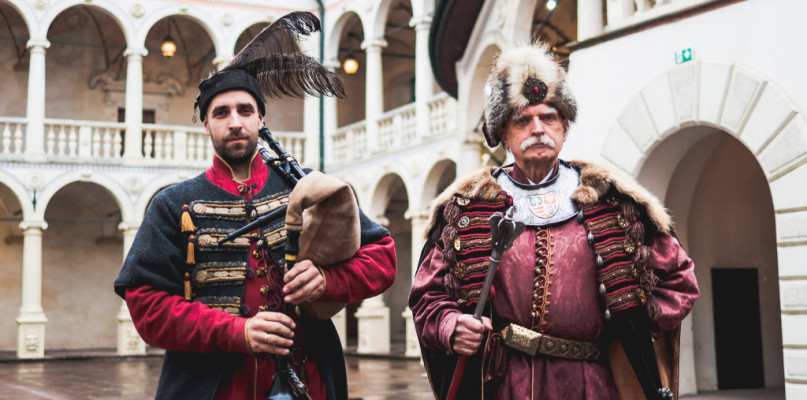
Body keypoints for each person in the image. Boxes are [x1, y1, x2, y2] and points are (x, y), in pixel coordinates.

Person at [114, 13, 396, 400]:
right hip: (212, 384)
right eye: (221, 113)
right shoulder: (172, 204)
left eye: (245, 111)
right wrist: (235, 331)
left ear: (261, 119)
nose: (235, 122)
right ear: (206, 126)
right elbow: (146, 305)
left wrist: (330, 282)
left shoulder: (308, 186)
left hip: (307, 375)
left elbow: (382, 257)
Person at [409, 43, 699, 400]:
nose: (538, 129)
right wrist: (451, 326)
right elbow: (427, 298)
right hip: (503, 385)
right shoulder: (466, 208)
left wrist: (632, 322)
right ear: (502, 133)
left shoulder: (615, 201)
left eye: (549, 117)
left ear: (564, 126)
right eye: (522, 120)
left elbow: (680, 281)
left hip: (593, 385)